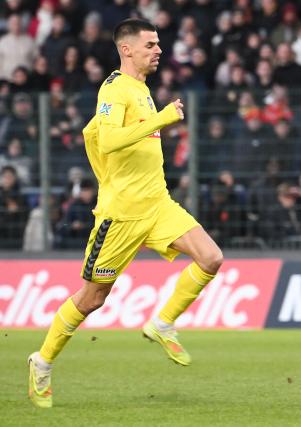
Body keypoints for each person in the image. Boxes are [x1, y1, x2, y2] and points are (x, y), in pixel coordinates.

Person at [27, 19, 224, 409]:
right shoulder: (115, 88)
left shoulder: (142, 90)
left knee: (211, 257)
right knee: (92, 298)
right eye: (150, 44)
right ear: (127, 49)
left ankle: (162, 323)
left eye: (158, 44)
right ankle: (42, 361)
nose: (158, 50)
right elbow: (110, 139)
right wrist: (162, 119)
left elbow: (90, 135)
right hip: (121, 216)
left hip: (158, 204)